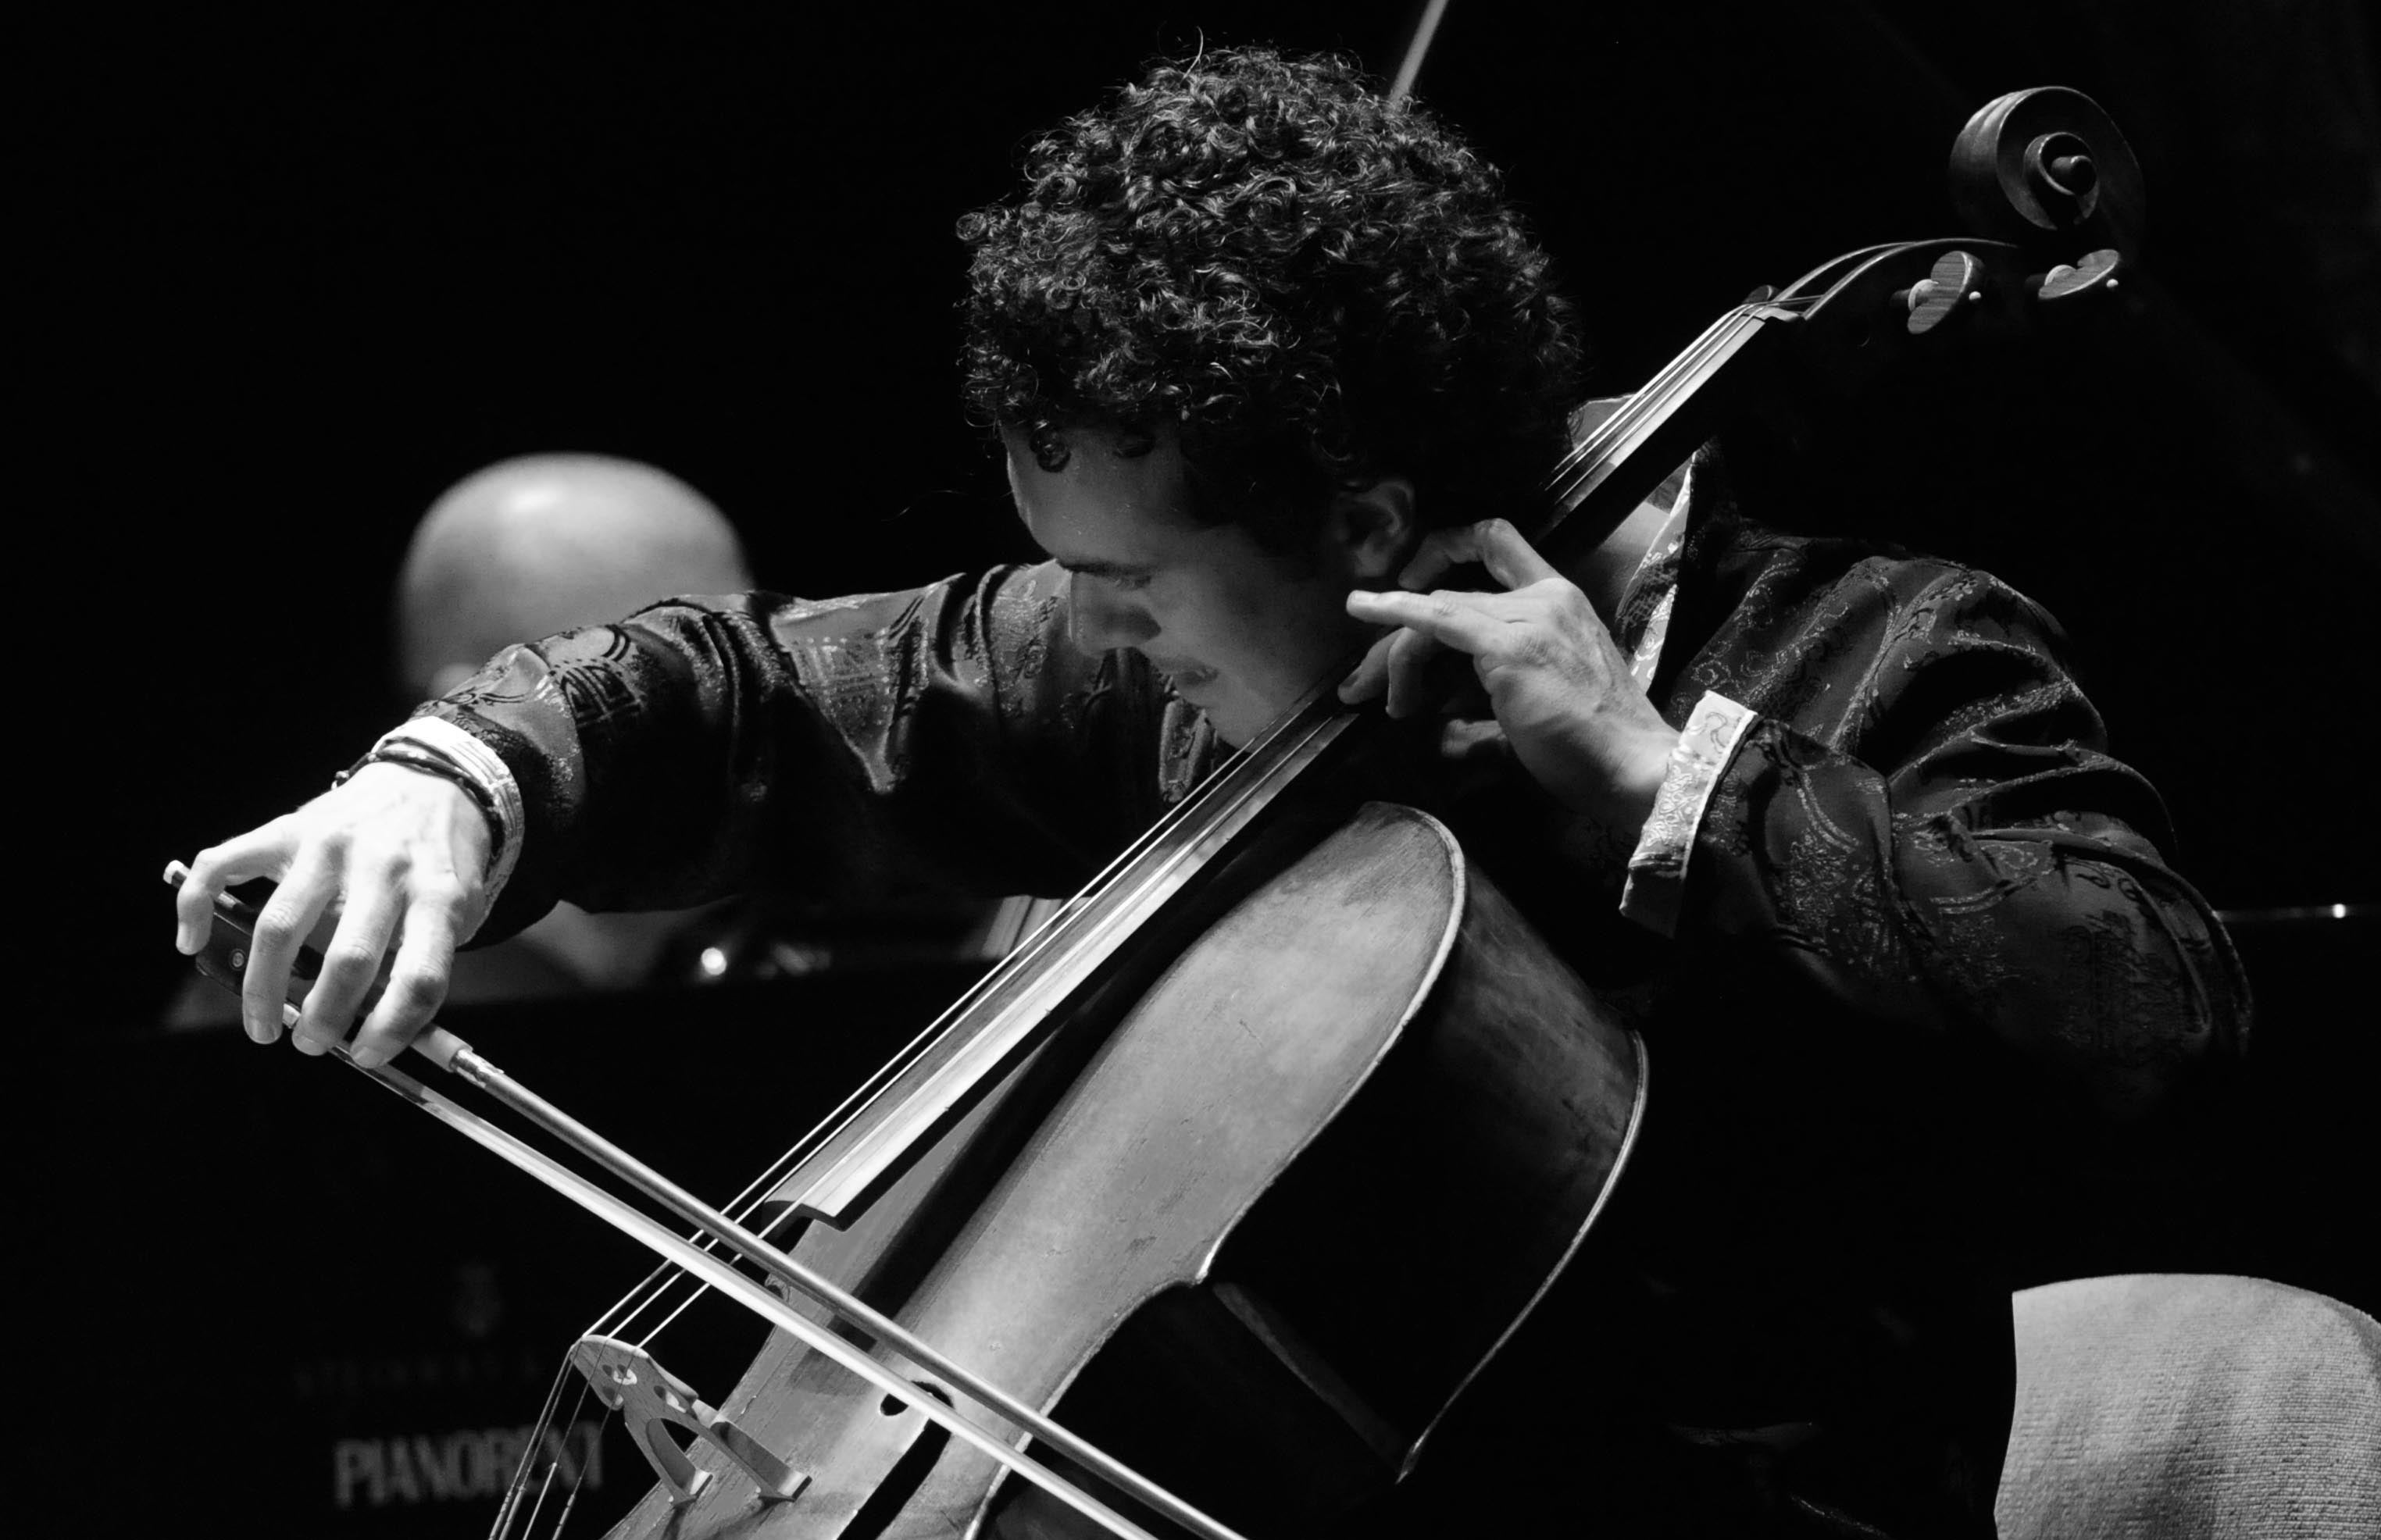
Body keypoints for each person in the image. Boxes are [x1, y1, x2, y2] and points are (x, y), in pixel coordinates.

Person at [173, 48, 2247, 1538]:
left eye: (1128, 587)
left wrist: (1665, 782)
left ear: (1354, 518)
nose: (1094, 632)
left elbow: (2153, 1002)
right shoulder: (1166, 677)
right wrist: (454, 783)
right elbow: (741, 686)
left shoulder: (1872, 647)